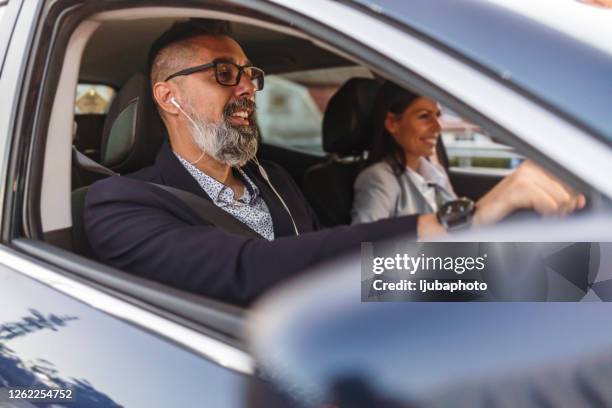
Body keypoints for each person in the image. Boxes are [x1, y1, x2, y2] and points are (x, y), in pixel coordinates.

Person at [83, 20, 585, 306]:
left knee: (575, 287)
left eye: (249, 75)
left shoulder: (274, 180)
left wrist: (509, 269)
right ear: (168, 98)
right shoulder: (120, 204)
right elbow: (248, 271)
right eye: (223, 73)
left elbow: (352, 269)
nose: (247, 89)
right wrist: (463, 222)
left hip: (349, 335)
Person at [352, 82, 456, 224]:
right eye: (424, 116)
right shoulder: (379, 178)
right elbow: (365, 244)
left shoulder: (434, 172)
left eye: (438, 115)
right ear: (392, 123)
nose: (438, 127)